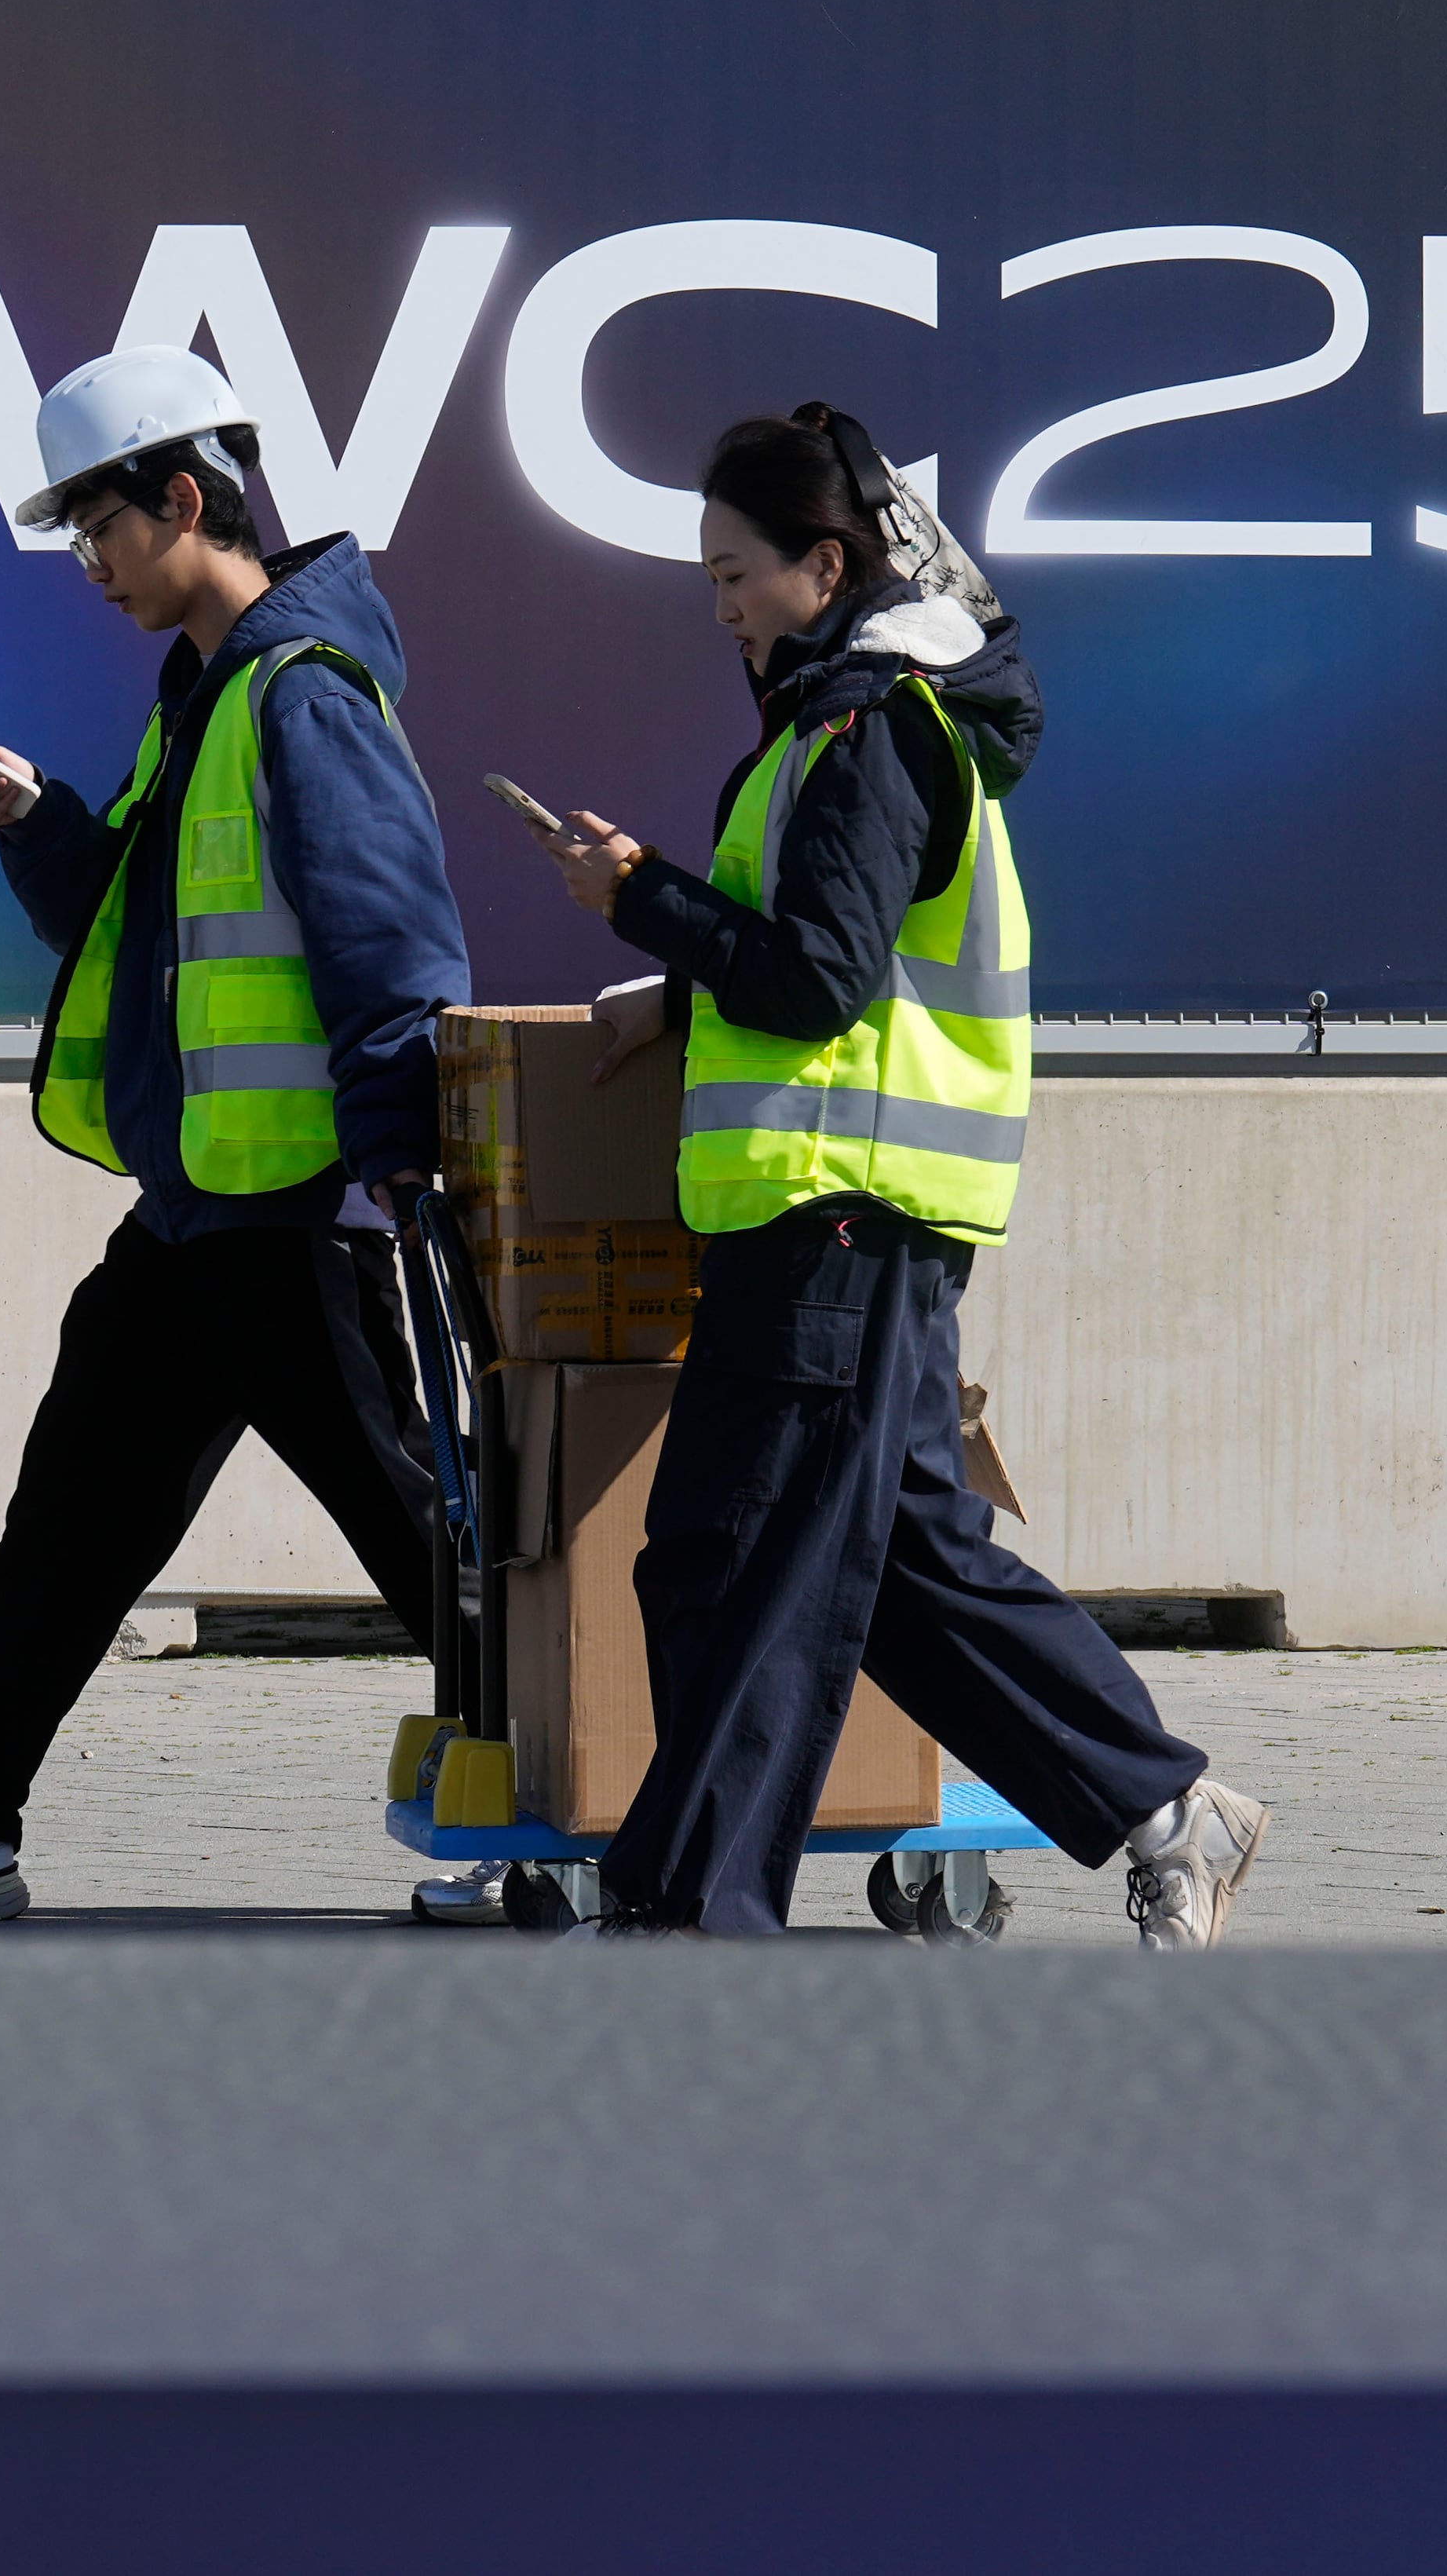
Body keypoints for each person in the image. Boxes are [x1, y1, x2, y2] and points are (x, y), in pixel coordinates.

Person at [515, 404, 1270, 1945]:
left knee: (747, 1568)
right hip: (832, 1213)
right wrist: (672, 981)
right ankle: (1165, 1806)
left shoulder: (867, 733)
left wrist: (643, 901)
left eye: (736, 572)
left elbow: (816, 981)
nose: (717, 603)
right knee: (877, 1561)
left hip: (842, 1215)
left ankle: (689, 1910)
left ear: (826, 561)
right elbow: (827, 968)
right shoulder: (833, 729)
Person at [0, 347, 470, 1919]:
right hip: (195, 1215)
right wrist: (38, 825)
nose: (87, 563)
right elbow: (136, 929)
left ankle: (583, 1797)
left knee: (422, 1527)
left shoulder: (302, 697)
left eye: (96, 525)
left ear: (186, 497)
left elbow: (394, 938)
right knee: (72, 1516)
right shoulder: (202, 705)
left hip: (299, 1209)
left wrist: (397, 1158)